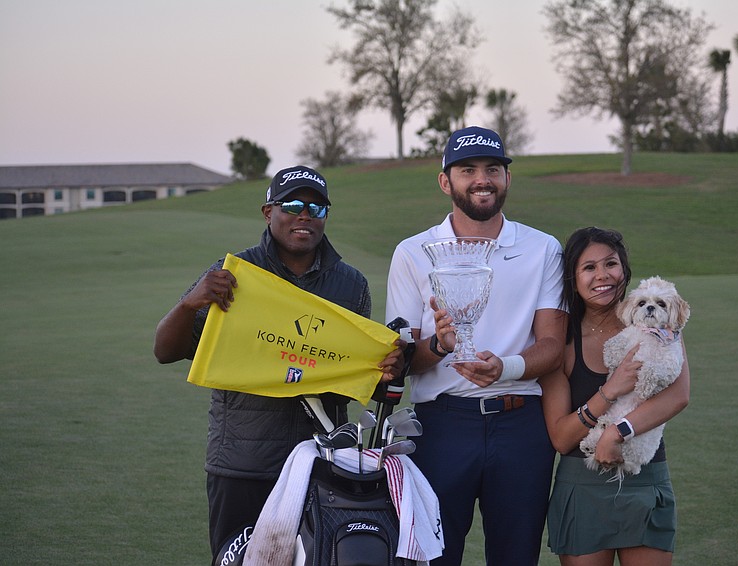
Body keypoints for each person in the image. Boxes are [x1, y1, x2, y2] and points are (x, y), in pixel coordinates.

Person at [153, 165, 405, 559]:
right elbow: (164, 351)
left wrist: (386, 369)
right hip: (242, 464)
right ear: (268, 212)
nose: (305, 215)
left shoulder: (351, 284)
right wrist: (190, 304)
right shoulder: (233, 274)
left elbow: (355, 377)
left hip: (320, 462)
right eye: (292, 205)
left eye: (316, 208)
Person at [385, 126, 566, 566]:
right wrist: (440, 345)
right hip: (441, 426)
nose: (482, 179)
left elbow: (552, 345)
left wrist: (505, 367)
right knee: (433, 557)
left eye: (492, 169)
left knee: (516, 556)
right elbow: (401, 360)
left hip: (520, 424)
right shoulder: (412, 252)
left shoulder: (542, 248)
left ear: (507, 178)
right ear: (445, 181)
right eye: (467, 170)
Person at [539, 226, 690, 566]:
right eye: (588, 267)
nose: (602, 275)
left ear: (624, 269)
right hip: (582, 485)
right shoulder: (561, 340)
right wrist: (610, 391)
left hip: (644, 478)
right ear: (573, 278)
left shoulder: (658, 322)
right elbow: (561, 438)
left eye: (611, 264)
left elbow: (679, 396)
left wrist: (616, 432)